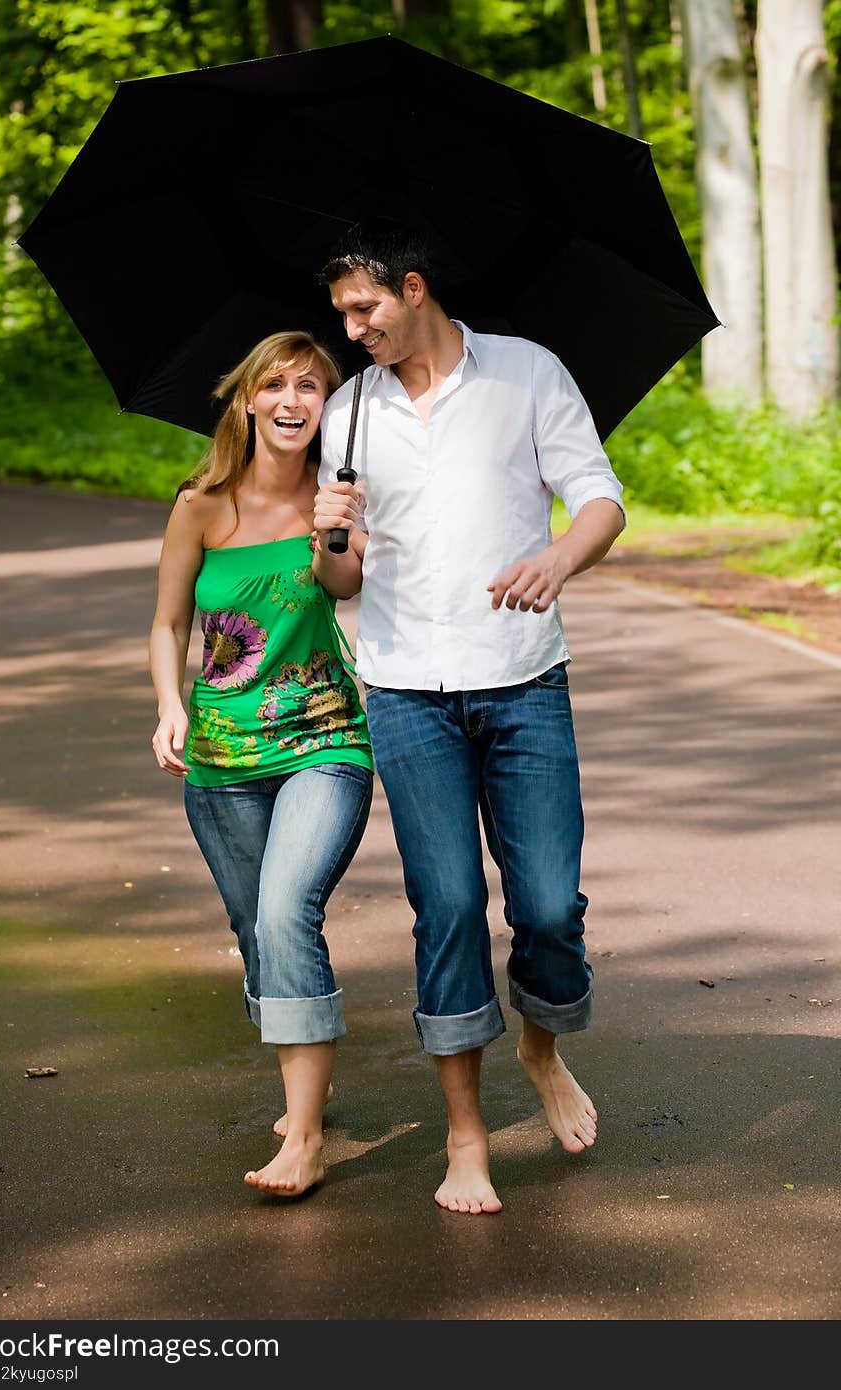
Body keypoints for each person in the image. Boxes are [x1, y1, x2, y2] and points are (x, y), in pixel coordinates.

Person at [312, 222, 625, 1215]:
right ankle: (465, 1134)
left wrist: (559, 558)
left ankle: (538, 1049)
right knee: (445, 907)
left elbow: (600, 499)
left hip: (524, 677)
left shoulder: (527, 374)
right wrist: (332, 538)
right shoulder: (349, 412)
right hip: (406, 690)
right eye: (341, 316)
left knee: (544, 905)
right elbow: (341, 582)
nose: (352, 329)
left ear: (412, 288)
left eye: (364, 308)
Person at [150, 330, 374, 1199]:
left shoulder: (340, 498)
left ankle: (307, 1136)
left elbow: (347, 589)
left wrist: (334, 534)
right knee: (254, 933)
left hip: (324, 741)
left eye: (312, 388)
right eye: (276, 385)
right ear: (247, 399)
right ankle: (300, 1073)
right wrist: (171, 705)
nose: (292, 400)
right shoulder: (201, 504)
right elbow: (169, 623)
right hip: (219, 756)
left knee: (286, 914)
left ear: (330, 406)